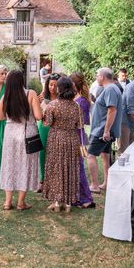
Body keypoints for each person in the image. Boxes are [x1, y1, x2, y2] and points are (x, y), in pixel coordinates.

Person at [0, 70, 42, 210]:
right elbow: (39, 116)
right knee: (25, 166)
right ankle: (21, 202)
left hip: (10, 134)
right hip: (27, 133)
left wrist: (11, 118)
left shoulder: (6, 96)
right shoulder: (31, 94)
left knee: (10, 165)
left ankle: (7, 202)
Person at [42, 77, 83, 213]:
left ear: (59, 88)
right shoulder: (76, 105)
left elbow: (46, 123)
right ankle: (68, 203)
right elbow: (80, 125)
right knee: (70, 168)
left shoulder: (53, 105)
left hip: (56, 138)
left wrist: (43, 111)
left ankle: (57, 202)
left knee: (56, 168)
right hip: (71, 138)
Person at [87, 68, 123, 192]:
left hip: (102, 131)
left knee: (90, 155)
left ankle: (94, 185)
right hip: (103, 130)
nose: (96, 77)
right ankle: (107, 183)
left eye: (97, 75)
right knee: (105, 156)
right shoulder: (111, 88)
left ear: (102, 76)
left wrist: (106, 131)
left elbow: (112, 110)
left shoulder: (110, 89)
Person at [70, 72, 95, 209]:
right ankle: (77, 196)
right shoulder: (77, 99)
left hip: (78, 137)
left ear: (73, 84)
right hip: (74, 135)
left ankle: (86, 198)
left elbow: (83, 121)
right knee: (75, 168)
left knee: (79, 169)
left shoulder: (82, 101)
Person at [37, 74, 60, 191]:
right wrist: (37, 102)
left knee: (55, 154)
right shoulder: (42, 96)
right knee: (42, 153)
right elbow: (36, 113)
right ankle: (42, 180)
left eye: (55, 85)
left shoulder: (62, 98)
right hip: (43, 127)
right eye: (51, 85)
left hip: (56, 128)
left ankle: (53, 180)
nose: (52, 88)